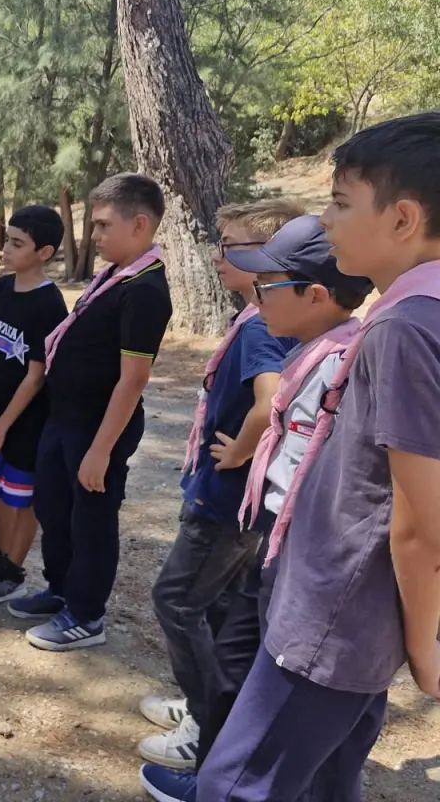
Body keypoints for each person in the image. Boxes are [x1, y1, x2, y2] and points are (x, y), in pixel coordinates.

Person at [194, 115, 440, 801]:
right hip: (356, 614)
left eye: (340, 203)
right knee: (327, 780)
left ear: (403, 219)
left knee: (232, 785)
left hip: (336, 615)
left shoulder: (403, 328)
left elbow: (421, 524)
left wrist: (425, 647)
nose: (326, 221)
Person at [140, 214, 373, 802]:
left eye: (268, 285)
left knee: (310, 711)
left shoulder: (344, 363)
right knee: (235, 658)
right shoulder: (313, 349)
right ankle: (212, 767)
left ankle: (222, 770)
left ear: (314, 295)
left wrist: (240, 454)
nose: (257, 293)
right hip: (274, 545)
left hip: (303, 561)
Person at [137, 200, 303, 771]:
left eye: (230, 245)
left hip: (226, 498)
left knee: (176, 600)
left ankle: (209, 725)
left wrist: (238, 450)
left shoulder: (260, 327)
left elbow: (269, 400)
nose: (216, 255)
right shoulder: (265, 319)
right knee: (217, 607)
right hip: (242, 499)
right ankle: (208, 707)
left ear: (268, 257)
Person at [12, 173, 173, 652]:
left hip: (97, 428)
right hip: (65, 417)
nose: (94, 236)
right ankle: (62, 589)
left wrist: (101, 450)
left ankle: (86, 614)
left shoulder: (144, 289)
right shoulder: (114, 273)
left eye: (104, 225)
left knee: (91, 520)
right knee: (54, 507)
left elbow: (133, 378)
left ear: (139, 225)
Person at [0, 206, 68, 605]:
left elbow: (36, 375)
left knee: (23, 498)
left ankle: (13, 570)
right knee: (0, 490)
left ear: (44, 252)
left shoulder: (49, 303)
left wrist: (4, 424)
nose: (6, 249)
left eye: (17, 243)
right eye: (7, 240)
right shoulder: (1, 289)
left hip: (25, 422)